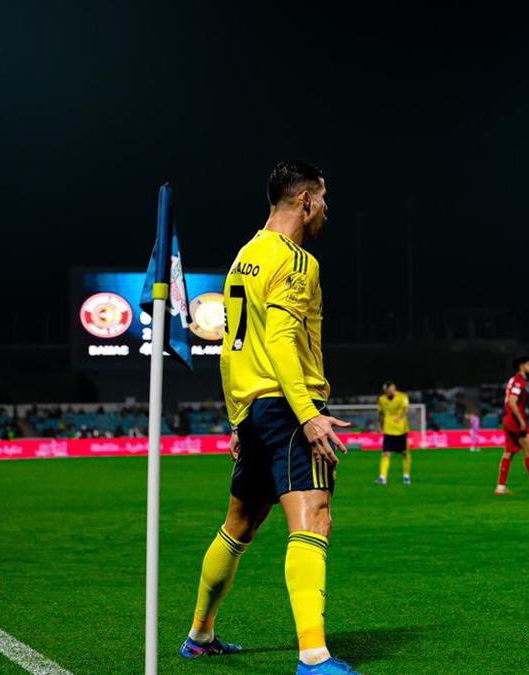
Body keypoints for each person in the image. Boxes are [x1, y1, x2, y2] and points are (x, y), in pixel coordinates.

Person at [179, 161, 362, 675]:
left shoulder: (245, 256)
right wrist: (308, 413)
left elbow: (231, 348)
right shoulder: (297, 261)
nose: (327, 210)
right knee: (314, 516)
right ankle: (313, 656)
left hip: (255, 406)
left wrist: (239, 419)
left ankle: (199, 634)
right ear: (305, 200)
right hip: (288, 403)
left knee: (239, 524)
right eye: (324, 199)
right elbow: (281, 339)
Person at [496, 356, 529, 495]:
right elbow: (512, 402)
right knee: (528, 451)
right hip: (515, 420)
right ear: (522, 366)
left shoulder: (513, 380)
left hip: (508, 419)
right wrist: (521, 421)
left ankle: (500, 487)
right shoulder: (519, 381)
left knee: (508, 453)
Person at [376, 381, 411, 485]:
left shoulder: (403, 396)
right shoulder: (382, 399)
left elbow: (405, 410)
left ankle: (406, 476)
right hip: (388, 429)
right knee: (386, 453)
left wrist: (400, 417)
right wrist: (380, 425)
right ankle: (382, 477)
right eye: (388, 390)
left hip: (402, 429)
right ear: (385, 390)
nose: (391, 391)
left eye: (392, 389)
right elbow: (381, 413)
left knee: (405, 453)